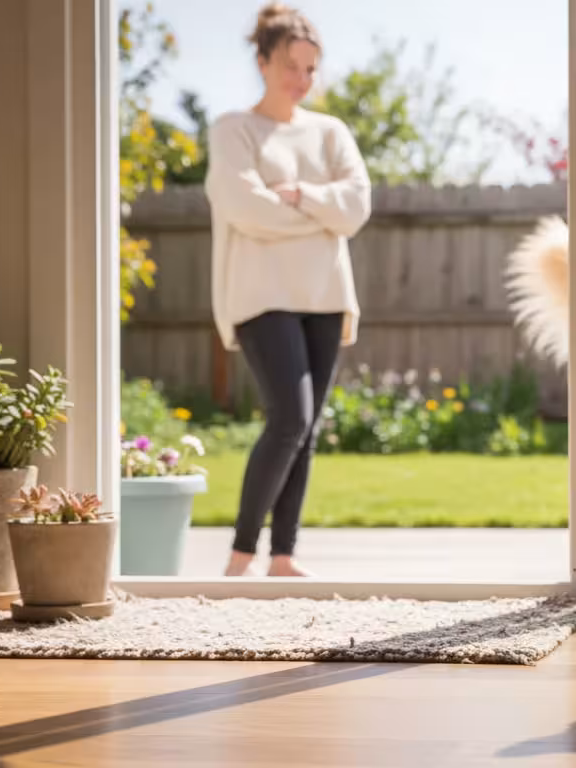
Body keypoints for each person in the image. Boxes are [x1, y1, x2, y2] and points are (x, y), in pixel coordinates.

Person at [205, 2, 371, 577]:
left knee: (308, 428)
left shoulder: (331, 133)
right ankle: (240, 554)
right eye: (290, 67)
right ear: (262, 62)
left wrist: (297, 194)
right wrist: (320, 210)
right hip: (260, 298)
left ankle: (283, 556)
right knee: (290, 418)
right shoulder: (234, 131)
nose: (301, 80)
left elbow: (356, 208)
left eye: (311, 69)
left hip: (325, 296)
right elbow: (245, 209)